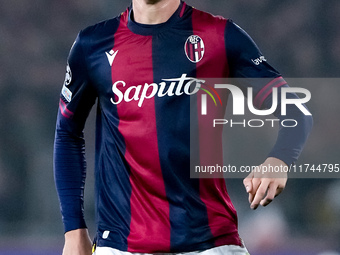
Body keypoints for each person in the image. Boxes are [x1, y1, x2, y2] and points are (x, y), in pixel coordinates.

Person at [54, 0, 313, 254]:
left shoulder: (220, 35)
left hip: (210, 243)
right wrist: (74, 230)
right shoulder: (93, 44)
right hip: (120, 245)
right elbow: (67, 132)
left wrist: (279, 159)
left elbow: (296, 111)